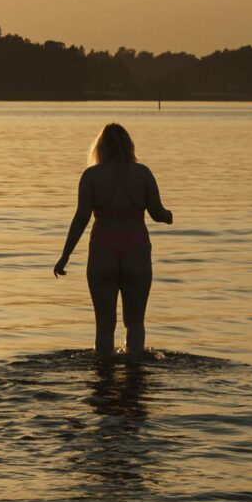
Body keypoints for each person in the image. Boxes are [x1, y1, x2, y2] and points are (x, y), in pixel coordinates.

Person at [54, 122, 173, 358]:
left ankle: (104, 373)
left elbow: (81, 218)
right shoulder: (143, 174)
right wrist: (169, 216)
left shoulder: (91, 176)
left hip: (102, 250)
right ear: (129, 146)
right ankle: (134, 368)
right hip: (136, 250)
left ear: (100, 148)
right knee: (135, 321)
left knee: (104, 324)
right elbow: (158, 213)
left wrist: (64, 256)